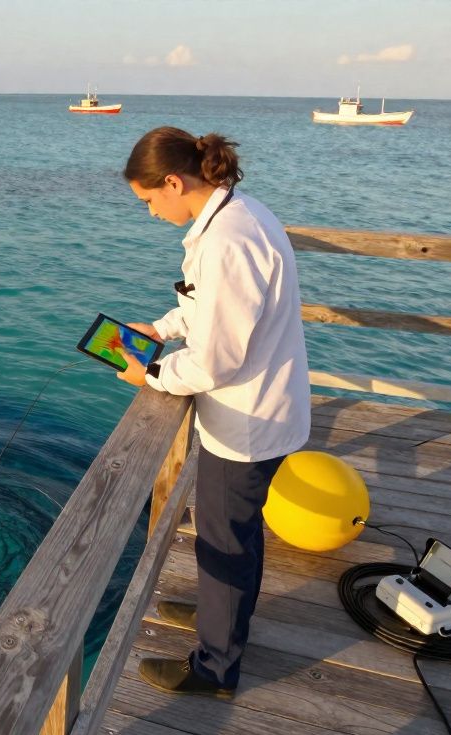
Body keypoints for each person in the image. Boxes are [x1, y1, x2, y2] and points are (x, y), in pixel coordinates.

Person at [114, 126, 311, 698]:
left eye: (150, 201)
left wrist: (149, 371)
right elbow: (204, 307)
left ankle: (216, 667)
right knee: (234, 531)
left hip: (249, 423)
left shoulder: (227, 242)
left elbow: (216, 361)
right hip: (268, 409)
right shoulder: (237, 214)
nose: (151, 214)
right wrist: (159, 328)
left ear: (174, 182)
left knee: (224, 539)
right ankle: (217, 612)